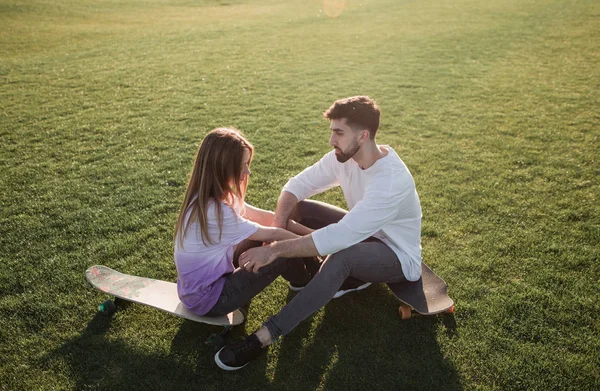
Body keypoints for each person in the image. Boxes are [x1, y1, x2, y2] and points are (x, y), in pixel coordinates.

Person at [215, 96, 423, 371]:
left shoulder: (389, 182)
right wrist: (278, 228)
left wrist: (274, 249)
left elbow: (339, 239)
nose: (331, 140)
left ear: (363, 136)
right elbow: (296, 185)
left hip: (395, 254)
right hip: (361, 233)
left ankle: (265, 336)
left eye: (339, 133)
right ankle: (317, 278)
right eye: (332, 132)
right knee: (298, 208)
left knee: (342, 257)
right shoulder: (344, 158)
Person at [173, 127, 315, 320]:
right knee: (282, 250)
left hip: (198, 290)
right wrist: (317, 245)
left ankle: (308, 271)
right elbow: (274, 235)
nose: (248, 170)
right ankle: (306, 280)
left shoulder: (211, 195)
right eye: (242, 164)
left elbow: (269, 219)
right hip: (211, 300)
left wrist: (315, 234)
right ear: (222, 166)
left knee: (276, 237)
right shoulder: (217, 211)